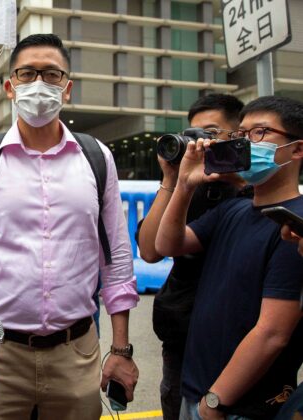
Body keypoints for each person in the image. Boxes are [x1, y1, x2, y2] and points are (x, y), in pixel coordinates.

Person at [0, 33, 138, 419]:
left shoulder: (96, 157)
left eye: (52, 74)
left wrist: (120, 351)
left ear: (67, 88)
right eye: (27, 73)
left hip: (76, 353)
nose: (39, 84)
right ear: (9, 87)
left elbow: (117, 256)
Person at [155, 95, 303, 419]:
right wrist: (184, 185)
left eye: (261, 133)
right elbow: (166, 244)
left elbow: (272, 333)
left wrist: (216, 401)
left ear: (297, 149)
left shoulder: (295, 226)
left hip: (240, 406)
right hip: (196, 391)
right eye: (242, 134)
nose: (248, 143)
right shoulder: (233, 210)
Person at [137, 94, 248, 420]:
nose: (198, 144)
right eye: (193, 134)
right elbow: (149, 251)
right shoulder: (188, 189)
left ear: (238, 136)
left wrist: (236, 179)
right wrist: (173, 179)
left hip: (238, 339)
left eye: (210, 134)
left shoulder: (255, 187)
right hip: (182, 337)